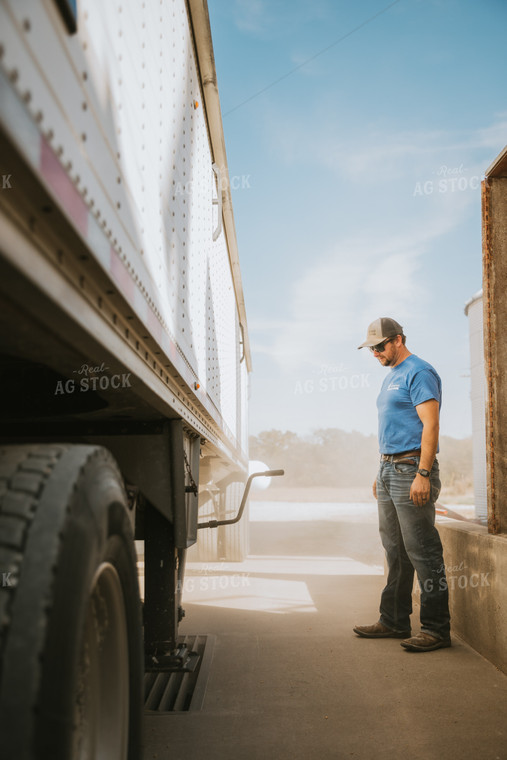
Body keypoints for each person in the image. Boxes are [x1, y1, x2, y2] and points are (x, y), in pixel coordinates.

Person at [354, 317, 451, 652]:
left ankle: (436, 630)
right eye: (372, 349)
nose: (376, 353)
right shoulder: (390, 377)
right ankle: (394, 620)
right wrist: (379, 472)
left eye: (380, 346)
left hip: (412, 469)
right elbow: (393, 428)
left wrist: (423, 474)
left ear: (397, 340)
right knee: (394, 550)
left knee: (423, 550)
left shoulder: (419, 371)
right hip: (388, 470)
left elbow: (431, 425)